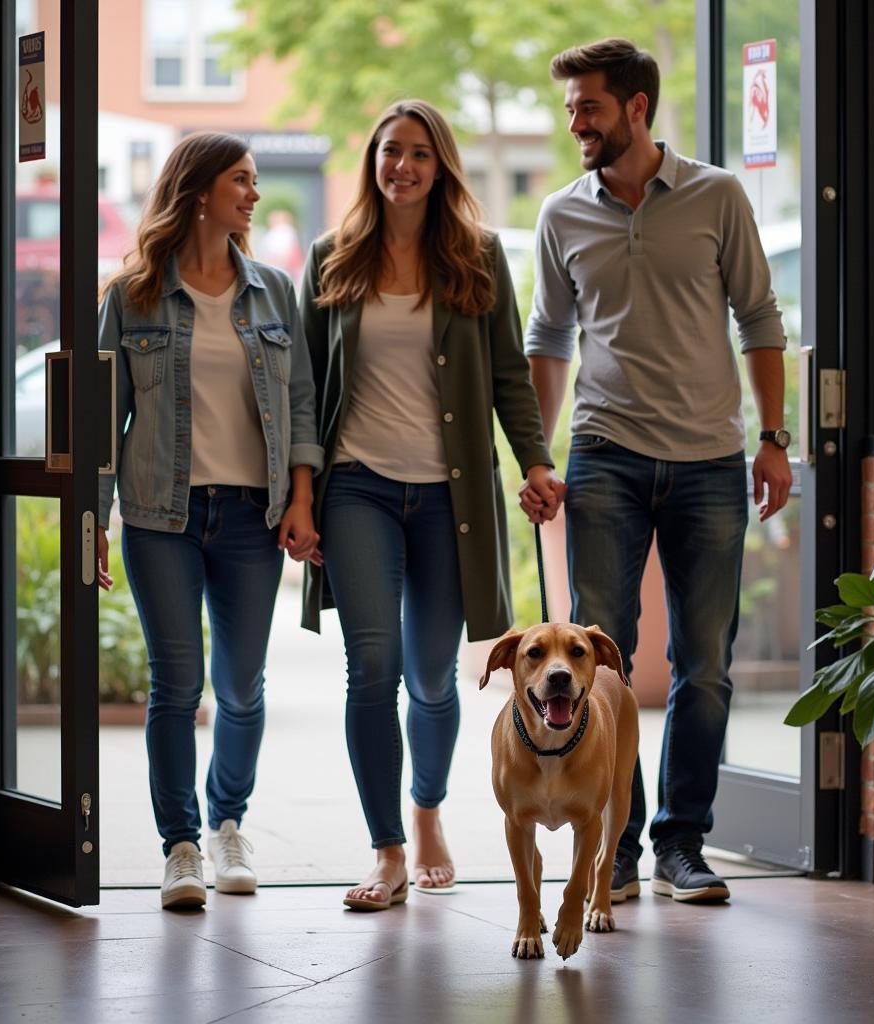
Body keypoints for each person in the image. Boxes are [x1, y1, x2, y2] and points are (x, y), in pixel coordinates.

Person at [524, 39, 792, 904]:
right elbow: (549, 341)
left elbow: (758, 316)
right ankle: (618, 846)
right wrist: (537, 453)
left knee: (702, 662)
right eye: (570, 110)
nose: (576, 124)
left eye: (589, 108)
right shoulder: (563, 214)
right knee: (597, 664)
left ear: (637, 107)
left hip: (712, 460)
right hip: (603, 456)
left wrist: (774, 437)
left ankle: (683, 842)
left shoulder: (717, 194)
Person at [299, 99, 564, 911]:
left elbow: (511, 381)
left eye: (418, 153)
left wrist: (537, 460)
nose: (402, 166)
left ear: (440, 166)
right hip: (359, 490)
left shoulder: (477, 258)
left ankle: (427, 809)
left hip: (453, 499)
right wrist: (301, 497)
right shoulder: (331, 257)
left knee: (435, 681)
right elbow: (305, 392)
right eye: (389, 152)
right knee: (371, 669)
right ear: (372, 162)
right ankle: (385, 848)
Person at [97, 132, 324, 910]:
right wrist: (94, 521)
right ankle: (182, 846)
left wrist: (300, 499)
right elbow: (103, 419)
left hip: (250, 518)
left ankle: (229, 823)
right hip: (162, 515)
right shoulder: (131, 296)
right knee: (176, 687)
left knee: (242, 687)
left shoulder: (272, 292)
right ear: (198, 191)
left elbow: (298, 402)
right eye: (242, 180)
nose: (255, 194)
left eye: (255, 181)